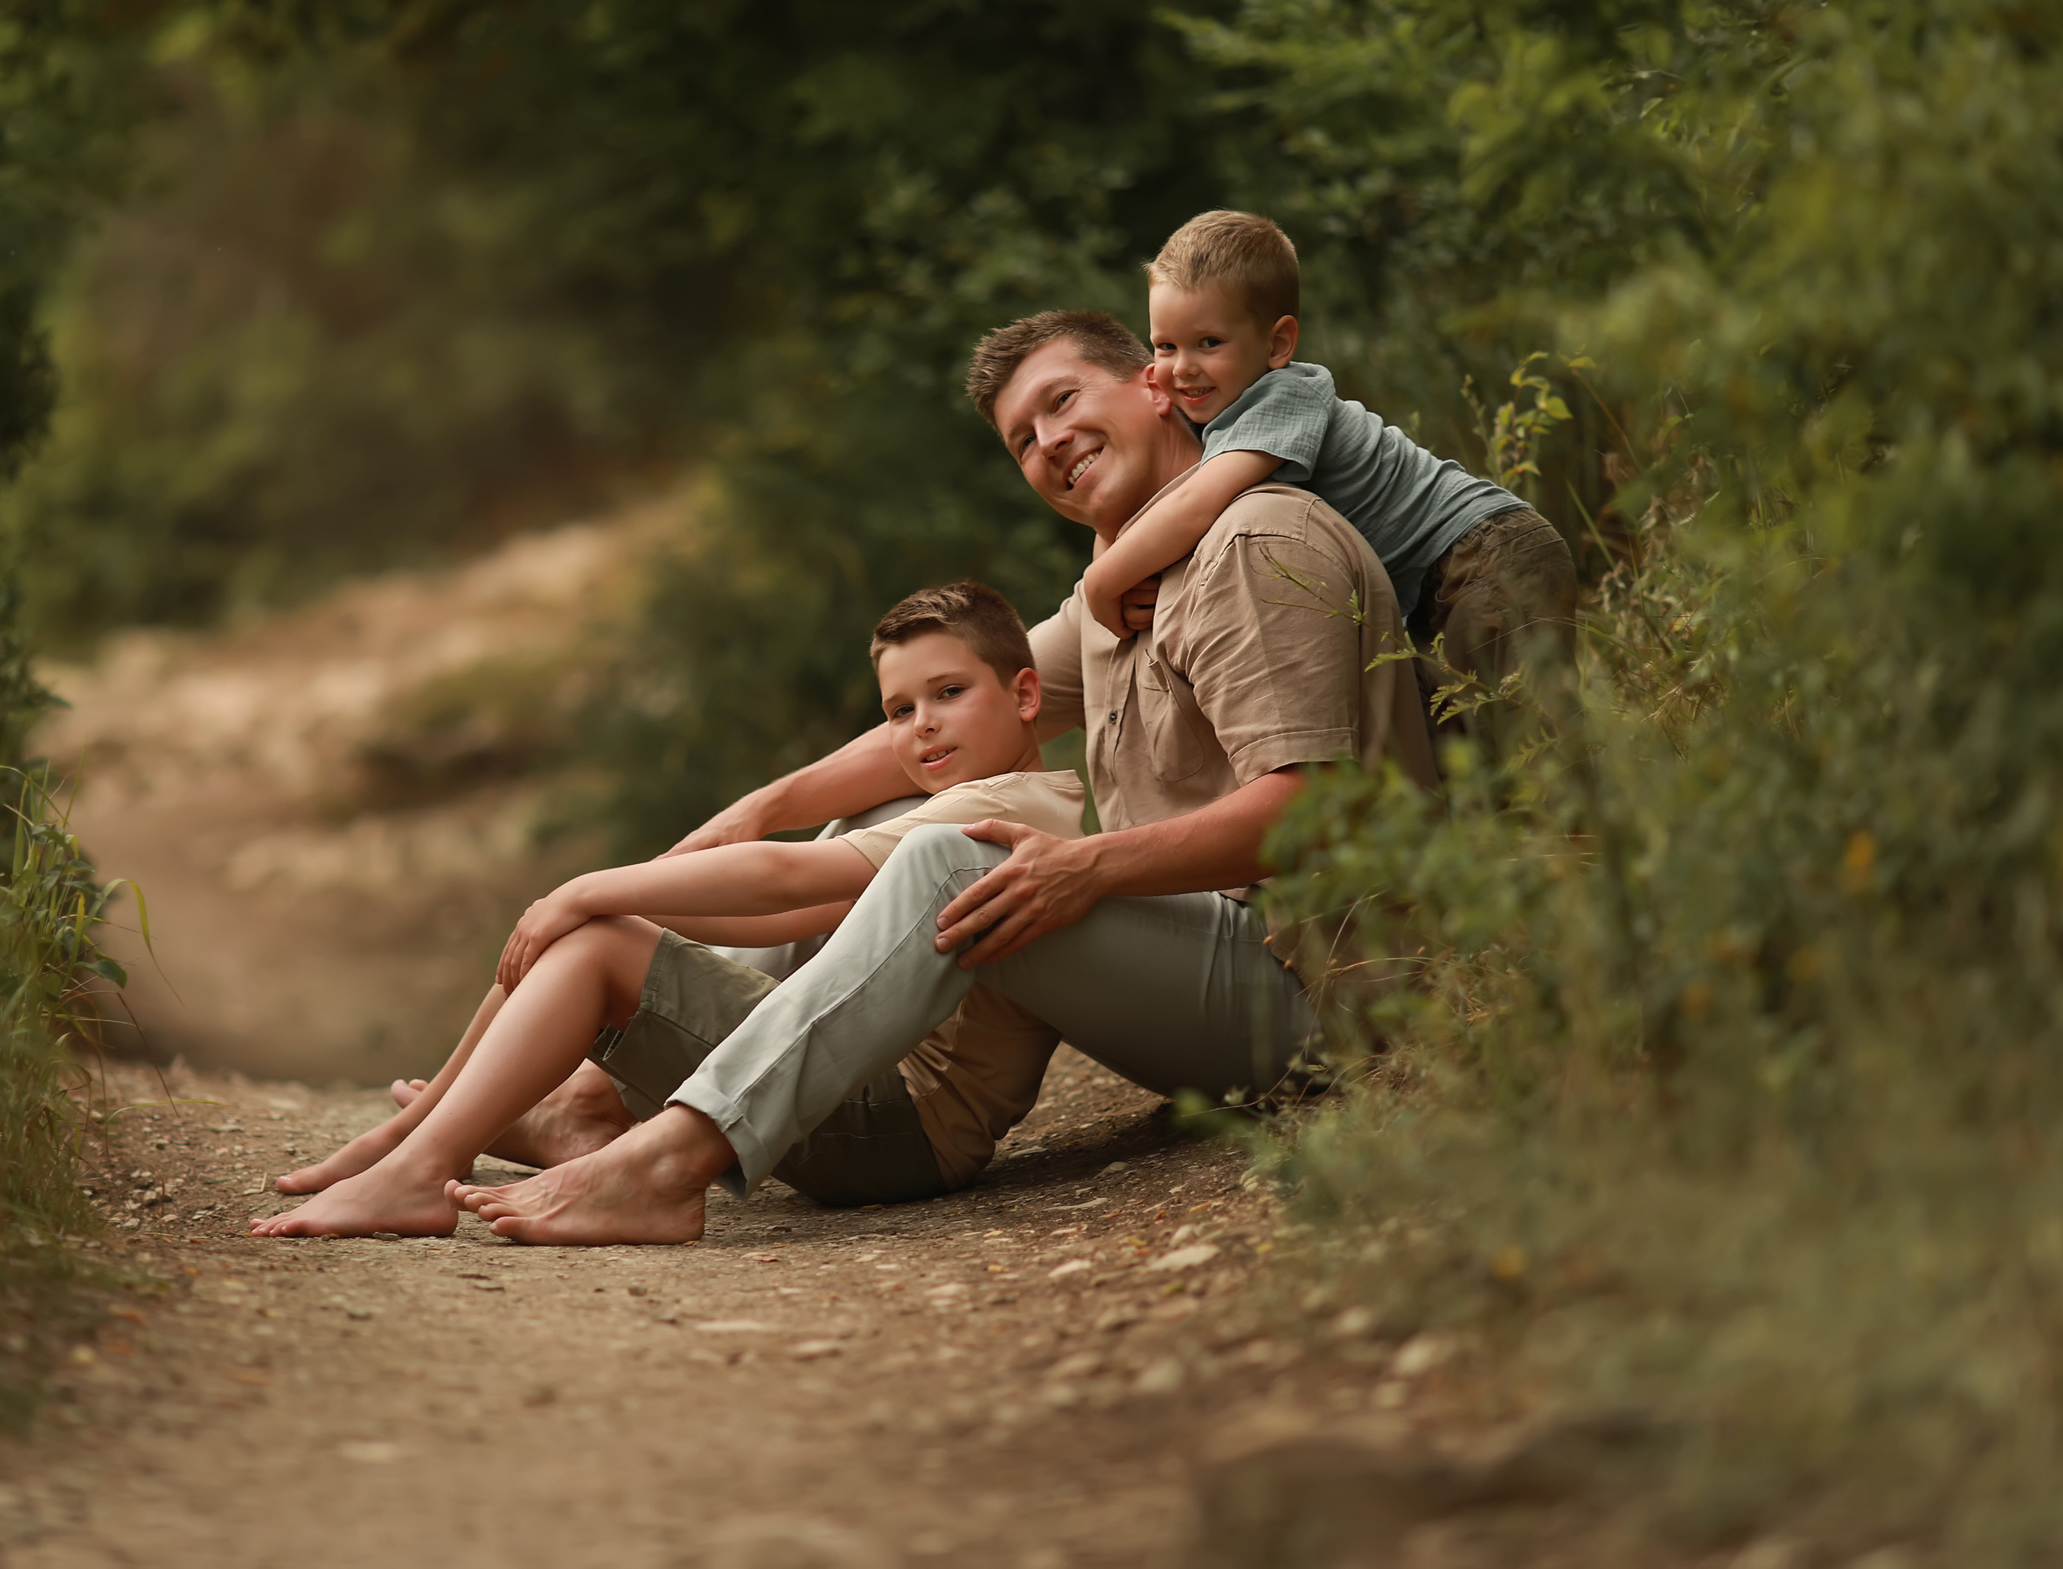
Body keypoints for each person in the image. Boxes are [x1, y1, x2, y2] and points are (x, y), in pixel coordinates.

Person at [449, 308, 1439, 1246]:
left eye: (1061, 401)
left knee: (947, 860)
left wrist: (1087, 868)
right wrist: (756, 812)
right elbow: (942, 725)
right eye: (1020, 438)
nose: (1047, 442)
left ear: (1155, 386)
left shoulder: (1248, 546)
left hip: (1319, 984)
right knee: (883, 829)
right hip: (1208, 969)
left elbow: (1305, 813)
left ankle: (668, 1163)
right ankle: (602, 1101)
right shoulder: (1121, 588)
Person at [248, 582, 1085, 1237]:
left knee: (597, 931)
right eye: (900, 711)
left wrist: (591, 891)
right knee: (605, 935)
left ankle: (419, 1164)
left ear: (1022, 695)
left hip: (897, 1128)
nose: (922, 727)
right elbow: (777, 920)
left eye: (948, 693)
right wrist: (631, 924)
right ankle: (427, 1140)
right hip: (842, 1089)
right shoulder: (968, 795)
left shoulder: (1005, 814)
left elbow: (788, 881)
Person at [1082, 210, 1576, 732]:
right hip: (1444, 579)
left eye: (1209, 343)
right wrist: (1112, 552)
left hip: (1484, 553)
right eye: (1166, 346)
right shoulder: (1219, 417)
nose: (1182, 367)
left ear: (1276, 345)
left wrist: (1100, 584)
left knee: (1523, 742)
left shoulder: (1284, 396)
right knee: (1465, 745)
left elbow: (1193, 506)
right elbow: (1153, 511)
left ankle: (1593, 809)